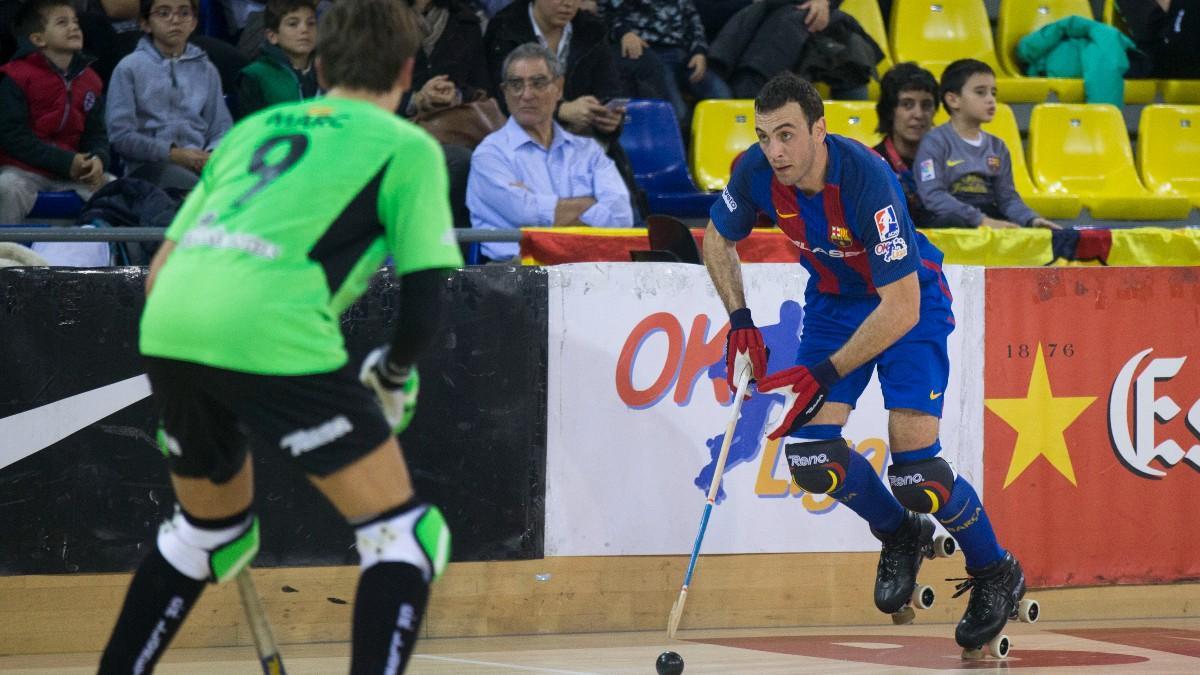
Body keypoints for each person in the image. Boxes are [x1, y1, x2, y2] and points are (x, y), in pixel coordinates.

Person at [96, 0, 462, 672]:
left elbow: (160, 273)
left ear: (319, 65)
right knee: (405, 537)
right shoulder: (408, 147)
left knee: (203, 531)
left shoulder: (250, 132)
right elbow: (424, 311)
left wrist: (189, 392)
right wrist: (392, 374)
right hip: (269, 326)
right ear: (408, 71)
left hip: (172, 324)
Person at [704, 72, 1029, 655]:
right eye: (763, 135)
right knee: (809, 457)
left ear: (819, 130)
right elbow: (715, 238)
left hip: (908, 301)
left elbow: (900, 307)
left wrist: (825, 372)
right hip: (834, 303)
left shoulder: (866, 180)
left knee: (917, 474)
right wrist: (741, 320)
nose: (774, 150)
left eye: (786, 135)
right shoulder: (752, 171)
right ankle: (900, 534)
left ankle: (996, 570)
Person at [467, 43, 633, 262]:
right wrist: (591, 203)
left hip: (587, 266)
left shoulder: (588, 151)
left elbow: (622, 217)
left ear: (559, 88)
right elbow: (524, 214)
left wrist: (540, 208)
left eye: (538, 83)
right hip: (517, 272)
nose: (526, 94)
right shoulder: (490, 155)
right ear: (504, 92)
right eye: (516, 84)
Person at [0, 0, 109, 224]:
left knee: (117, 189)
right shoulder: (16, 76)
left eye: (75, 22)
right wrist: (67, 161)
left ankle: (105, 256)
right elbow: (13, 138)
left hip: (73, 173)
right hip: (23, 171)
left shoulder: (91, 80)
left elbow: (97, 135)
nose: (74, 27)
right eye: (62, 22)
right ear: (38, 39)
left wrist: (98, 160)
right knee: (6, 188)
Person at [915, 59, 1058, 230]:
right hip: (953, 217)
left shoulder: (998, 147)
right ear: (953, 100)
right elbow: (933, 195)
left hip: (988, 214)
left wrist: (1031, 219)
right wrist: (980, 220)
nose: (990, 100)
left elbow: (1007, 199)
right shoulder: (934, 142)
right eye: (980, 92)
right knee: (951, 222)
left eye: (993, 93)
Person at [105, 0, 233, 190]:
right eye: (164, 13)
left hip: (201, 165)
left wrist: (212, 155)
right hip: (147, 168)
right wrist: (172, 154)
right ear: (145, 23)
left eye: (184, 13)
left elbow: (221, 128)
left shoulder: (207, 69)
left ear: (194, 23)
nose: (175, 20)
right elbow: (121, 136)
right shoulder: (129, 68)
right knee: (193, 189)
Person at [600, 0, 732, 124]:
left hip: (684, 53)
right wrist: (623, 33)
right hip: (647, 51)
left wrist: (699, 50)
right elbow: (604, 14)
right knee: (677, 113)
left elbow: (692, 17)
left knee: (722, 96)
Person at [872, 62, 937, 228]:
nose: (919, 114)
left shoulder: (946, 161)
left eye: (926, 105)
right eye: (907, 104)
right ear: (890, 111)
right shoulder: (870, 165)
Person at [236, 0, 319, 118]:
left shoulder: (329, 70)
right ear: (272, 36)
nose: (304, 30)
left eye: (311, 23)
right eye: (293, 24)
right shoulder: (256, 76)